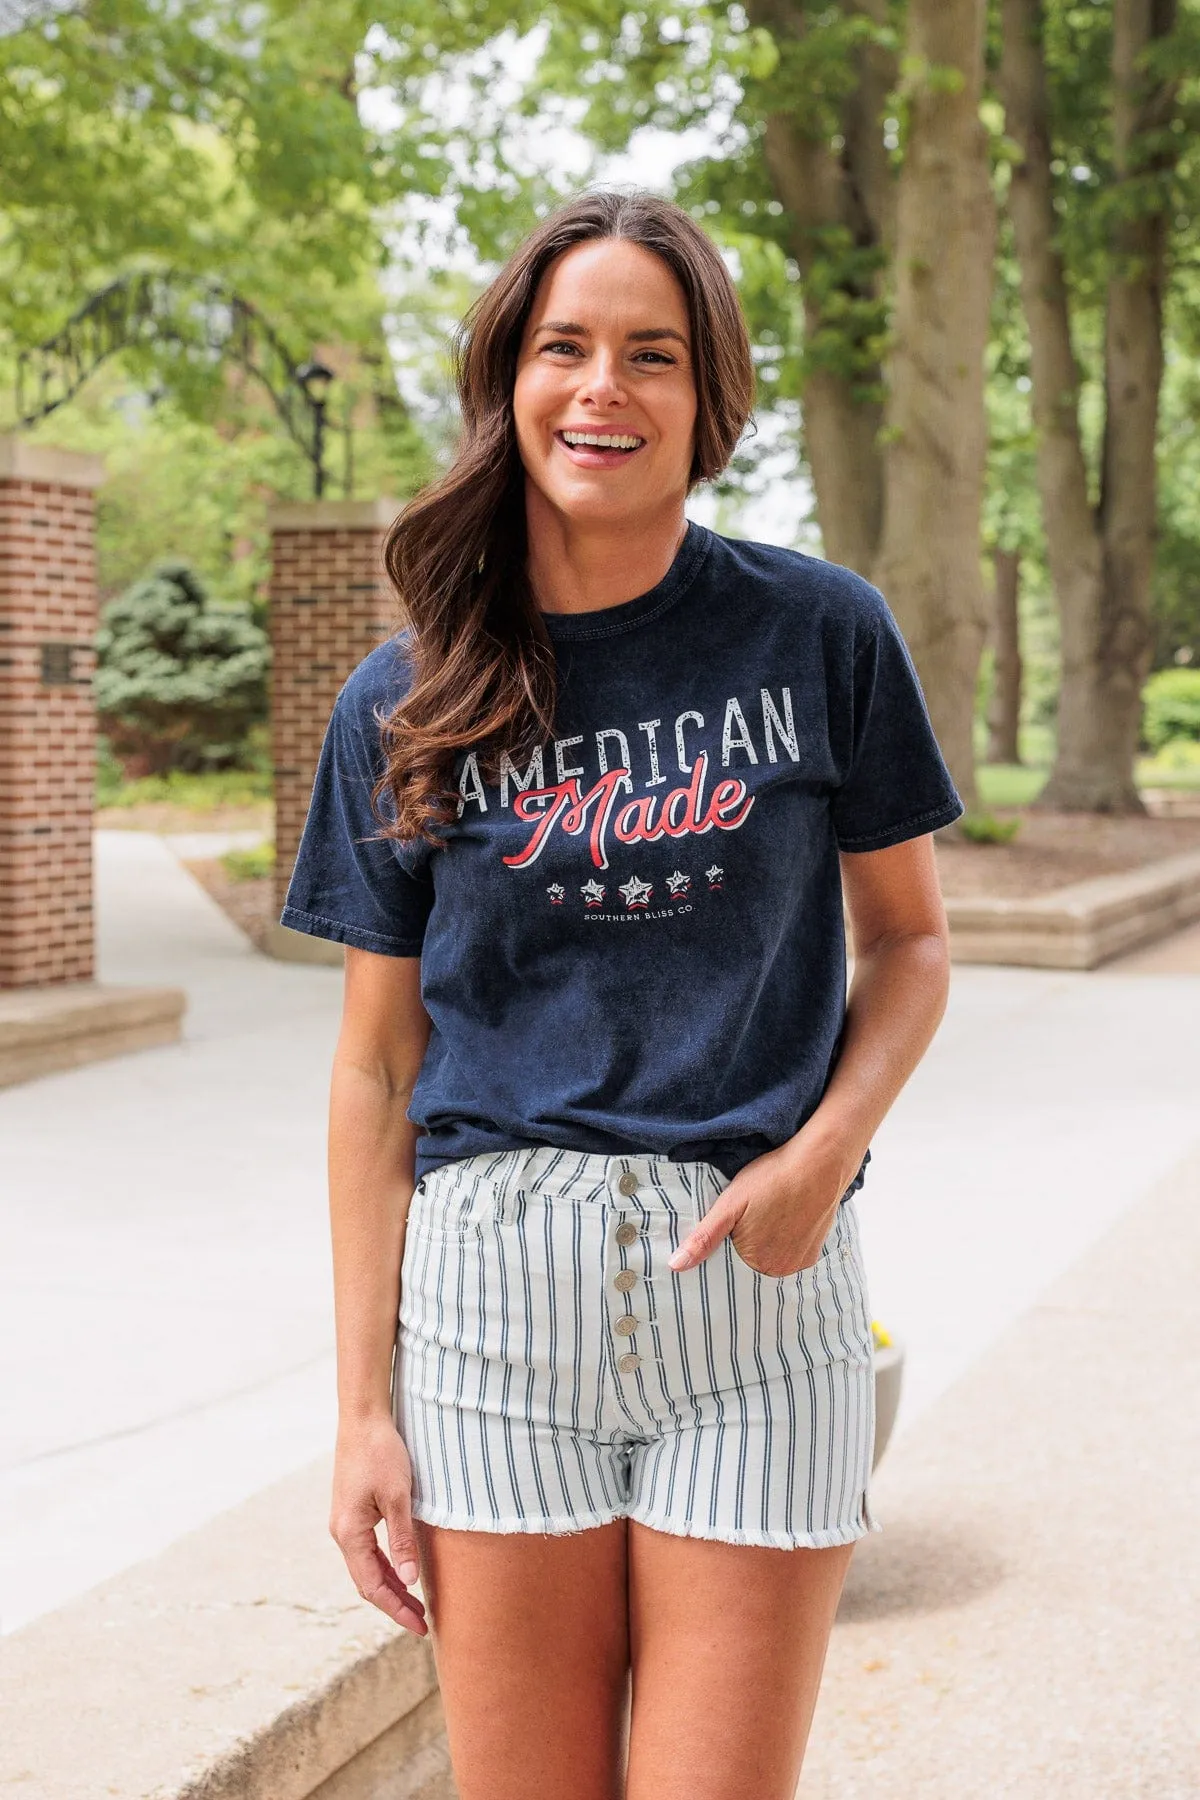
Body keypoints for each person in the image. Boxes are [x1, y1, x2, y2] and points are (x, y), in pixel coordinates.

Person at [281, 188, 963, 1800]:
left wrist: (823, 1157)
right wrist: (360, 1411)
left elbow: (915, 949)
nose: (604, 387)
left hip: (758, 1295)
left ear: (709, 397)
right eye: (564, 348)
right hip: (490, 1316)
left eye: (651, 354)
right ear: (509, 382)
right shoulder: (408, 693)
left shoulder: (818, 633)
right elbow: (377, 1070)